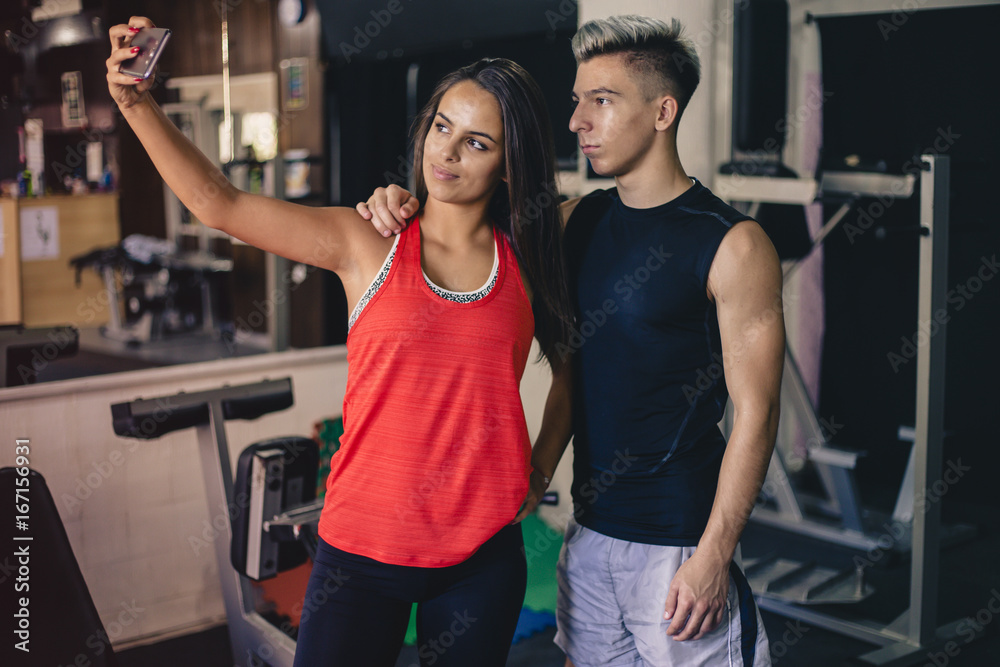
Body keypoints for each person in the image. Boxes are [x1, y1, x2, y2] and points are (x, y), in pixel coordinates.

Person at [106, 16, 573, 667]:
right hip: (360, 552)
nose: (446, 153)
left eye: (476, 142)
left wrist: (542, 462)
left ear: (510, 161)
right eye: (441, 126)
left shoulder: (529, 258)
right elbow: (219, 204)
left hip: (481, 559)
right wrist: (135, 102)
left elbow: (574, 369)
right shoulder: (369, 240)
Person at [359, 14, 784, 667]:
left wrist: (715, 554)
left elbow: (757, 411)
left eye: (602, 102)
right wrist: (395, 202)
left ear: (663, 110)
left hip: (678, 545)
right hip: (586, 539)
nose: (577, 122)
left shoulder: (732, 244)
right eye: (577, 102)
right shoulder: (571, 223)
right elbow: (465, 213)